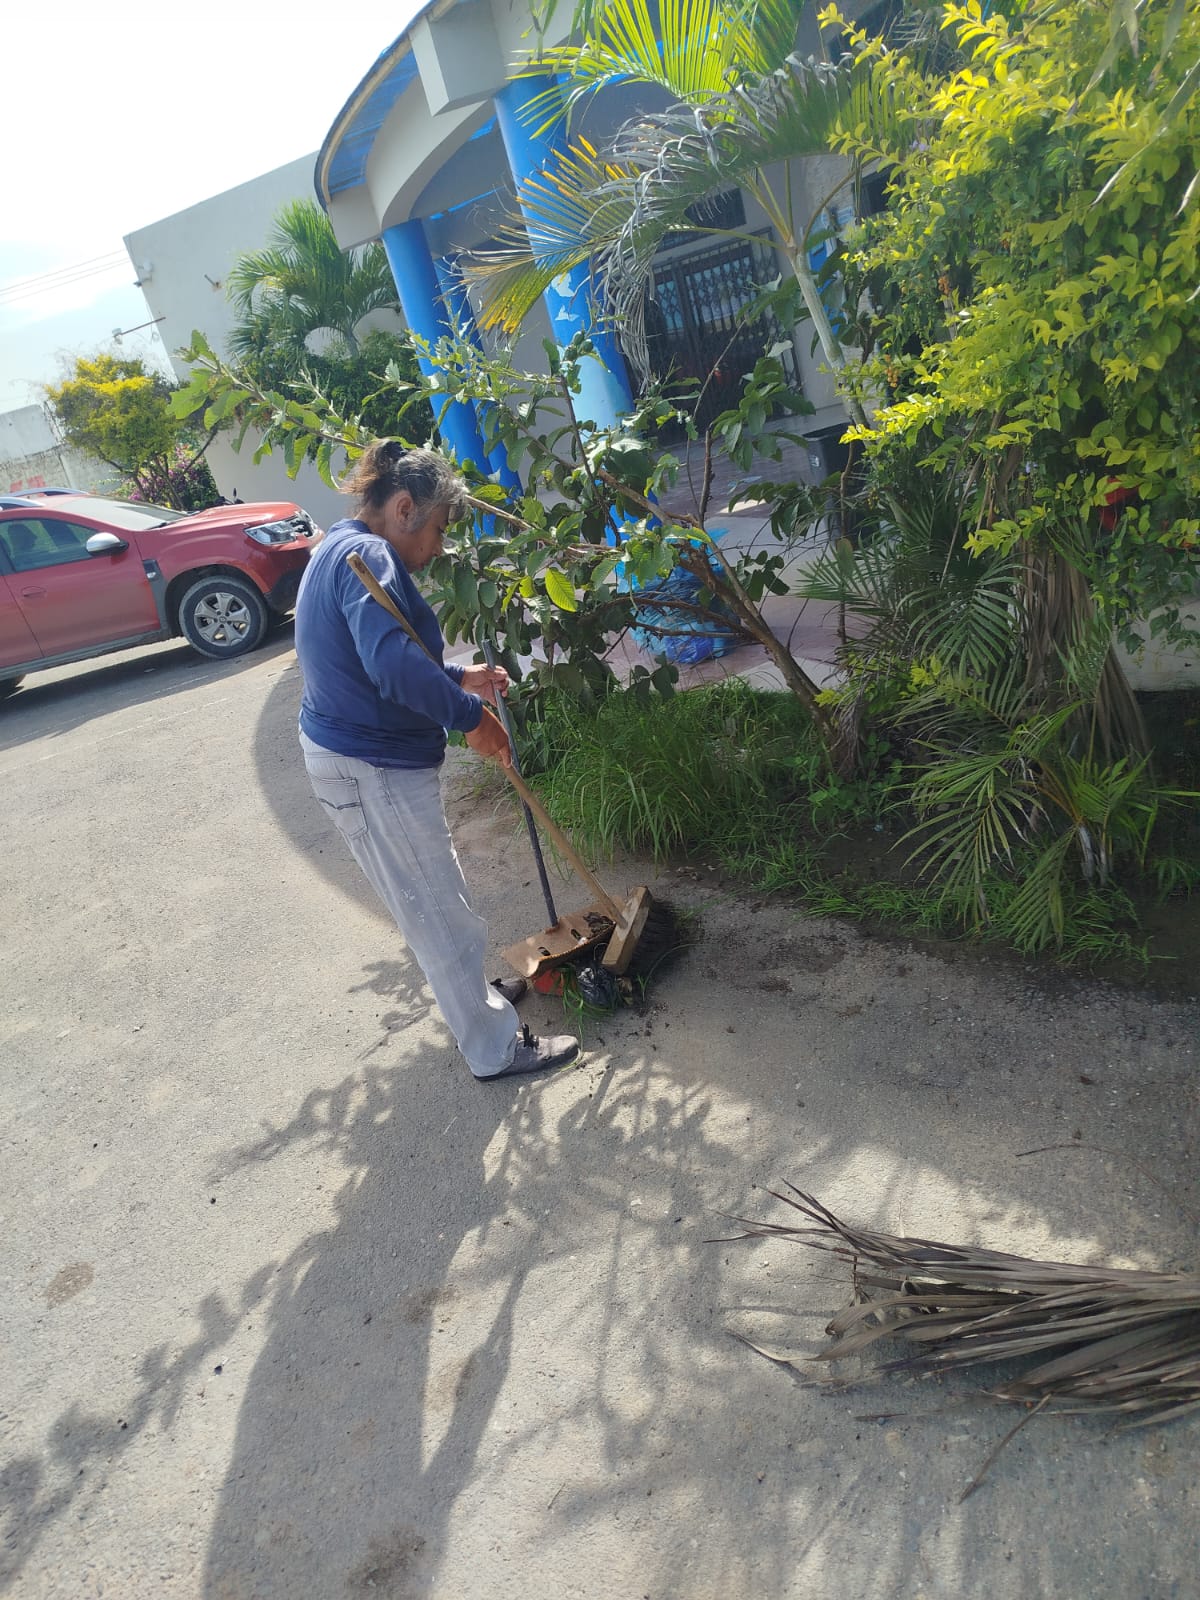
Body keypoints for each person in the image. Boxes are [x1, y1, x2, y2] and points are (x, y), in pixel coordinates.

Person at [294, 442, 579, 1080]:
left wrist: (456, 679)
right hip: (369, 767)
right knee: (437, 910)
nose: (440, 547)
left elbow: (376, 655)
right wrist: (471, 717)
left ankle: (472, 1002)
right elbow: (392, 666)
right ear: (404, 509)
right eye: (441, 529)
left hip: (353, 760)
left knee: (431, 897)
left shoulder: (338, 546)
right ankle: (493, 1048)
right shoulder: (371, 556)